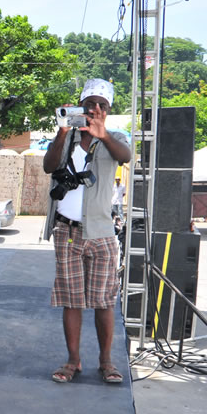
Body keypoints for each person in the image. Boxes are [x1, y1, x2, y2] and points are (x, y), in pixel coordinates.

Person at [42, 78, 131, 385]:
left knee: (104, 301)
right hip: (67, 231)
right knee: (72, 300)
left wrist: (102, 135)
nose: (94, 109)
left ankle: (106, 361)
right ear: (79, 105)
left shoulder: (114, 138)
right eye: (89, 104)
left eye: (101, 105)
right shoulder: (67, 137)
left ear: (108, 111)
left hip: (102, 232)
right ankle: (72, 360)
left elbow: (125, 157)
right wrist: (62, 132)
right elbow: (49, 166)